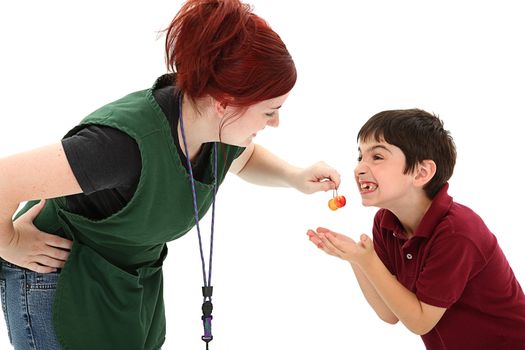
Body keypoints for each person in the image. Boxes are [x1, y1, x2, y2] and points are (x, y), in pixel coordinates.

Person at [0, 1, 341, 349]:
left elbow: (242, 157)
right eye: (270, 111)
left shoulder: (213, 127)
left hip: (122, 282)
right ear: (224, 103)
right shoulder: (122, 145)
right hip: (61, 279)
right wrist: (8, 243)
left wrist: (295, 176)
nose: (275, 123)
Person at [307, 109, 525, 349]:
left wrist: (368, 260)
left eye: (377, 157)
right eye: (360, 156)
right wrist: (356, 259)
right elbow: (390, 313)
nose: (359, 168)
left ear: (421, 173)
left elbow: (420, 322)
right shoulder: (385, 223)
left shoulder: (458, 231)